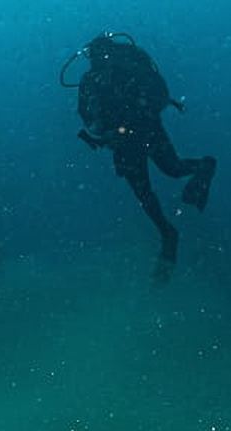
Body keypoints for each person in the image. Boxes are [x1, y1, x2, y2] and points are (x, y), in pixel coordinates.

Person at [64, 32, 216, 281]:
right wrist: (100, 133)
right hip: (126, 140)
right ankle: (168, 233)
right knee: (147, 190)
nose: (97, 61)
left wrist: (127, 122)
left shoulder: (128, 70)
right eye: (94, 57)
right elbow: (86, 114)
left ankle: (204, 169)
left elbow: (156, 97)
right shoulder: (91, 79)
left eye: (99, 56)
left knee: (170, 171)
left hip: (145, 130)